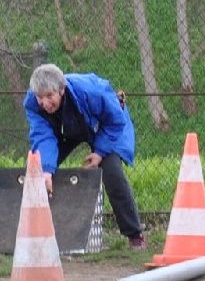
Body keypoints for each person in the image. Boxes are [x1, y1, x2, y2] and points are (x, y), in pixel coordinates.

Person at [23, 63, 146, 250]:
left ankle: (134, 234)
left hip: (104, 127)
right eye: (40, 97)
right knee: (37, 170)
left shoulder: (91, 91)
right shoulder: (33, 105)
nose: (45, 103)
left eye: (50, 96)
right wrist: (46, 169)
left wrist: (100, 152)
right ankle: (33, 233)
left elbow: (115, 121)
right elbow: (42, 136)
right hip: (66, 129)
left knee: (112, 172)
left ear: (61, 90)